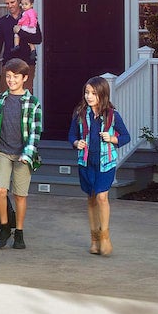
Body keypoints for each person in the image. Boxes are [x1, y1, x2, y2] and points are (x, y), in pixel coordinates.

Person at [0, 58, 42, 250]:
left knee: (20, 195)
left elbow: (35, 133)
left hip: (23, 155)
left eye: (15, 77)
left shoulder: (33, 103)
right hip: (2, 152)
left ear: (25, 78)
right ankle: (5, 228)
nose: (11, 80)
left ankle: (19, 232)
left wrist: (27, 154)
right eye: (8, 76)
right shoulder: (0, 100)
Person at [69, 76, 131, 256]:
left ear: (102, 94)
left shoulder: (112, 115)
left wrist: (112, 138)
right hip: (86, 163)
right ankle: (94, 239)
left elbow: (126, 136)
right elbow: (71, 135)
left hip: (106, 163)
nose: (89, 96)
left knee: (102, 197)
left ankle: (105, 237)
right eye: (87, 92)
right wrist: (76, 143)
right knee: (91, 198)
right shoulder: (80, 114)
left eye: (93, 93)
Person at [0, 0, 42, 81]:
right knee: (6, 94)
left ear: (19, 1)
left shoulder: (30, 18)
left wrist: (20, 32)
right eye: (7, 3)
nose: (10, 6)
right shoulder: (2, 21)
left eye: (12, 2)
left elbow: (38, 39)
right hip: (9, 63)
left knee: (24, 94)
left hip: (27, 63)